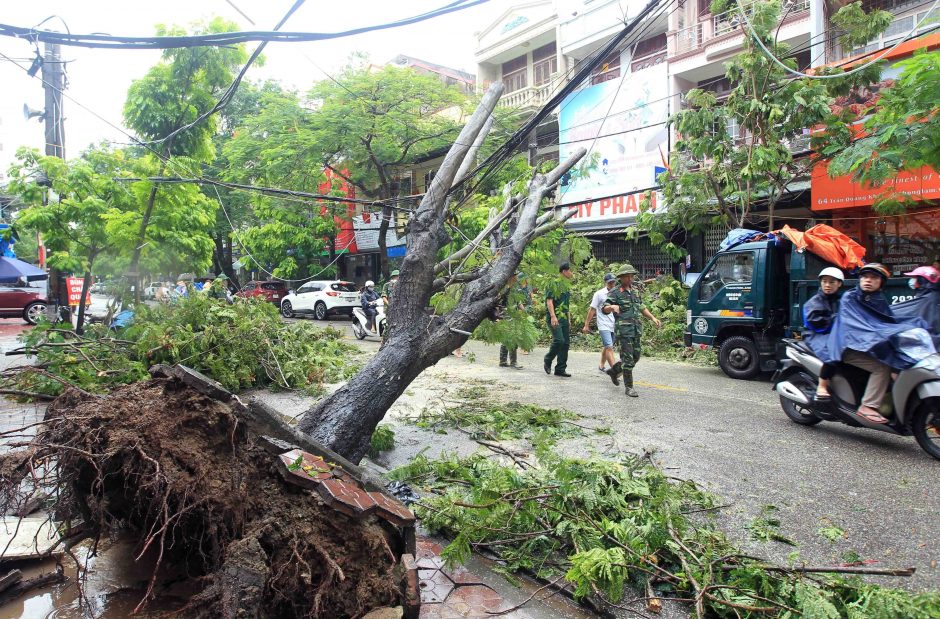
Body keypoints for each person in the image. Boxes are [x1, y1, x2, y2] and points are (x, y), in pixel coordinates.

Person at [825, 264, 898, 424]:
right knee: (882, 367)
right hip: (847, 346)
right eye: (865, 277)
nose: (868, 281)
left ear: (881, 282)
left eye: (874, 278)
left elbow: (888, 324)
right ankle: (867, 406)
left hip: (869, 346)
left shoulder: (879, 301)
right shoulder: (850, 298)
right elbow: (855, 327)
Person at [603, 264, 662, 397]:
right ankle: (629, 387)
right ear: (621, 278)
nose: (630, 278)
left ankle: (614, 371)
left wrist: (653, 318)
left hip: (636, 329)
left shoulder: (635, 291)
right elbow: (604, 308)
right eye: (627, 276)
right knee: (628, 360)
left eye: (631, 276)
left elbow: (641, 307)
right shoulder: (615, 292)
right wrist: (612, 307)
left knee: (635, 357)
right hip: (623, 331)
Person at [802, 267, 844, 401]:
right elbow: (815, 323)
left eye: (832, 282)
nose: (827, 285)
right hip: (816, 334)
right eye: (824, 281)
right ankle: (822, 386)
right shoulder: (814, 302)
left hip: (836, 332)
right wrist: (836, 319)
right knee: (831, 352)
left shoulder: (841, 300)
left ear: (839, 284)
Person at [582, 273, 619, 385]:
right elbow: (592, 310)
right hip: (603, 325)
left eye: (613, 282)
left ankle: (601, 365)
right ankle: (615, 371)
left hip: (613, 324)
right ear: (605, 282)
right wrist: (586, 325)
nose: (612, 284)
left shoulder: (617, 293)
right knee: (609, 347)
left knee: (608, 346)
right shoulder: (599, 294)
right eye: (610, 282)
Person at [544, 263, 574, 377]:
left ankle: (560, 369)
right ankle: (548, 359)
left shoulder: (566, 286)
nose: (572, 273)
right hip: (554, 317)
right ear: (564, 271)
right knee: (559, 340)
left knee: (566, 343)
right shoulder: (553, 283)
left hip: (564, 318)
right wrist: (553, 316)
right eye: (571, 271)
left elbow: (566, 304)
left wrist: (569, 319)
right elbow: (549, 301)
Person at [498, 273, 527, 370]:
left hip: (514, 315)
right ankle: (511, 362)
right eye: (515, 276)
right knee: (511, 337)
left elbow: (518, 302)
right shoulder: (505, 288)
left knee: (510, 337)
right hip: (506, 315)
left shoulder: (515, 288)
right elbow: (501, 301)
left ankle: (503, 361)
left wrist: (524, 312)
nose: (516, 277)